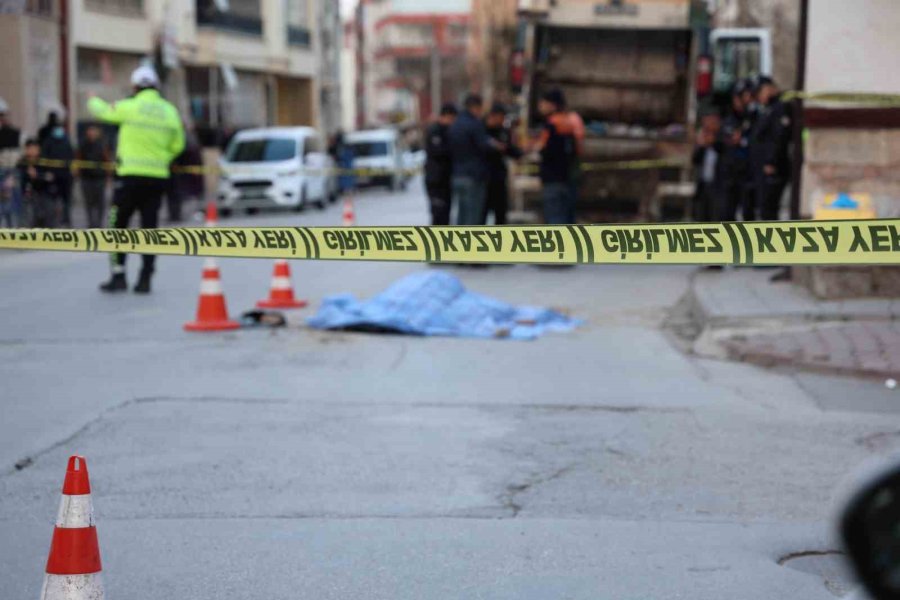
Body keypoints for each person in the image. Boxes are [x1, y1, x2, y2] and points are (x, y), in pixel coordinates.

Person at [88, 65, 185, 294]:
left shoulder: (129, 106)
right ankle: (145, 278)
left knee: (117, 225)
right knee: (149, 229)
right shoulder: (170, 111)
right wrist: (162, 158)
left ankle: (118, 275)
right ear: (156, 87)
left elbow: (103, 112)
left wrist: (92, 99)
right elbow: (178, 144)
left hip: (129, 178)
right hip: (157, 178)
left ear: (134, 87)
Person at [748, 76, 792, 221]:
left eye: (759, 92)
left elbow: (779, 137)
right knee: (763, 208)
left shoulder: (780, 107)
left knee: (769, 209)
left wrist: (771, 161)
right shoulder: (767, 109)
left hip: (773, 168)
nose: (758, 97)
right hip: (762, 167)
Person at [448, 94, 496, 225]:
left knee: (461, 215)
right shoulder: (475, 124)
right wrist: (494, 145)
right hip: (474, 176)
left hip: (457, 175)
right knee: (473, 217)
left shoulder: (455, 125)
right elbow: (484, 146)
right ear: (476, 107)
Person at [533, 89, 577, 224]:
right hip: (567, 179)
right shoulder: (568, 122)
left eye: (543, 103)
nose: (540, 106)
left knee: (554, 221)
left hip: (552, 180)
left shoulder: (551, 124)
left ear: (552, 105)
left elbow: (542, 149)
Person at [718, 80, 754, 222]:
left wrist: (743, 140)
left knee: (748, 213)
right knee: (727, 212)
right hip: (730, 172)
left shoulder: (753, 118)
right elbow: (722, 141)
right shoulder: (728, 119)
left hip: (748, 173)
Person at [483, 103, 522, 225]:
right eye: (501, 117)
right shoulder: (481, 130)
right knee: (482, 213)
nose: (502, 120)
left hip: (499, 177)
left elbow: (509, 149)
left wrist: (520, 153)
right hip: (484, 178)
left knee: (501, 212)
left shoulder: (503, 131)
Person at [423, 103, 457, 226]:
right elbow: (437, 151)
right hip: (436, 180)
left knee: (445, 214)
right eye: (452, 119)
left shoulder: (448, 131)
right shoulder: (435, 131)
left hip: (446, 179)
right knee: (438, 214)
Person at [691, 111, 724, 222]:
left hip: (718, 188)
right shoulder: (703, 145)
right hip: (703, 186)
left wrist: (713, 142)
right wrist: (701, 145)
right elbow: (695, 160)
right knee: (701, 216)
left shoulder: (722, 141)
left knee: (715, 217)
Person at [40, 117, 74, 226]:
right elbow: (44, 157)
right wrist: (47, 171)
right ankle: (54, 220)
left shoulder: (66, 140)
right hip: (53, 176)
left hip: (65, 175)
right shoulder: (48, 141)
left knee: (66, 200)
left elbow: (71, 155)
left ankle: (66, 219)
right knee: (53, 199)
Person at [74, 125, 111, 228]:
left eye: (94, 131)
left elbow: (107, 161)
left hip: (99, 178)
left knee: (100, 203)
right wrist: (77, 173)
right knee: (89, 203)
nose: (92, 133)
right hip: (86, 178)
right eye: (90, 131)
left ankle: (99, 224)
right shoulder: (83, 144)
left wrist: (108, 177)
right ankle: (91, 224)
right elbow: (78, 159)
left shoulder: (102, 144)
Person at [18, 139, 59, 228]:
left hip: (45, 193)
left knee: (48, 217)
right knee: (29, 219)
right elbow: (19, 177)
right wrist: (27, 175)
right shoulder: (22, 162)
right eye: (30, 148)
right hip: (28, 196)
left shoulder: (44, 161)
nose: (33, 151)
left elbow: (50, 176)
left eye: (35, 148)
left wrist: (37, 175)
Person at [0, 98, 22, 227]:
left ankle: (12, 231)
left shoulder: (14, 133)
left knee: (11, 204)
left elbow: (17, 155)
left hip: (10, 170)